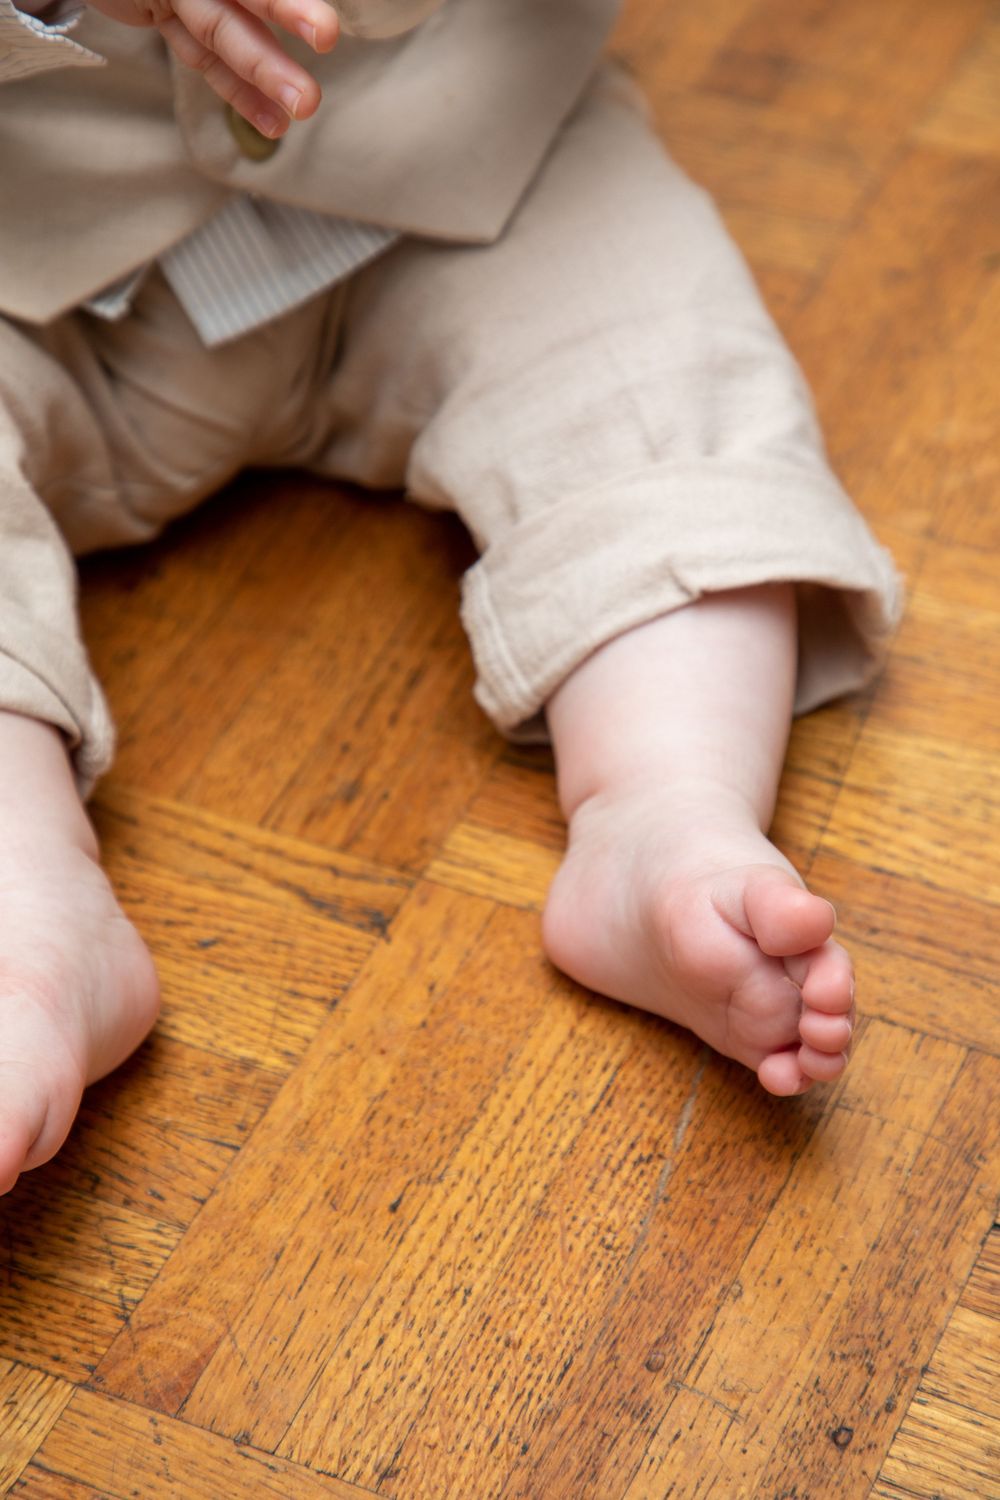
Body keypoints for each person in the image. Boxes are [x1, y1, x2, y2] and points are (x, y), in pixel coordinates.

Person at [0, 0, 901, 1197]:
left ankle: (664, 805)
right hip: (27, 257)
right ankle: (25, 916)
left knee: (656, 362)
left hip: (461, 176)